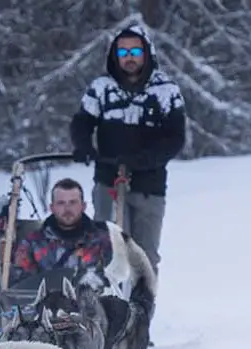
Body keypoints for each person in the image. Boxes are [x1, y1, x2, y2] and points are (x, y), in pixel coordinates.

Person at [69, 23, 186, 275]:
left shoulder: (166, 91)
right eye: (123, 53)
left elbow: (175, 138)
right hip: (108, 180)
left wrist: (145, 160)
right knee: (107, 250)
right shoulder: (101, 88)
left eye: (135, 52)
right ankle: (107, 308)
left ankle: (142, 309)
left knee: (143, 255)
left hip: (149, 184)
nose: (129, 58)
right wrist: (84, 146)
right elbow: (82, 122)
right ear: (114, 56)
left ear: (146, 53)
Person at [11, 178, 112, 279]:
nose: (67, 209)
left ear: (83, 206)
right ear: (52, 208)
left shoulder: (103, 242)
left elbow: (115, 279)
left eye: (73, 202)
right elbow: (23, 285)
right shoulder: (32, 244)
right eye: (61, 203)